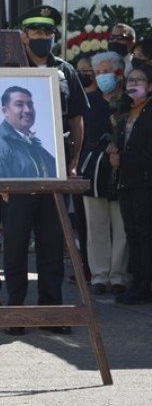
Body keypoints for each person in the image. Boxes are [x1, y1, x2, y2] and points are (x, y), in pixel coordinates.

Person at [0, 5, 88, 336]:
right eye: (36, 33)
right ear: (24, 36)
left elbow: (76, 119)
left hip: (55, 172)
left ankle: (52, 311)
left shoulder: (64, 71)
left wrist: (74, 163)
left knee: (51, 246)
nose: (43, 38)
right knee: (16, 246)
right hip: (17, 175)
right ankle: (15, 312)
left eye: (48, 33)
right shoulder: (7, 71)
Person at [79, 51, 127, 296]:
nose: (101, 77)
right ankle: (99, 275)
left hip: (122, 169)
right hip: (95, 169)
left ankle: (118, 275)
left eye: (106, 71)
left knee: (121, 225)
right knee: (95, 224)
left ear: (119, 72)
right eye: (97, 73)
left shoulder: (128, 101)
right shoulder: (89, 101)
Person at [107, 62, 152, 304]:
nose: (134, 84)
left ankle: (145, 284)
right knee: (132, 233)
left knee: (145, 234)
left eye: (140, 80)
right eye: (131, 80)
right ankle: (138, 280)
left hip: (145, 183)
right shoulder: (125, 113)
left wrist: (122, 158)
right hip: (127, 183)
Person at [0, 86, 58, 179]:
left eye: (30, 104)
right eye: (19, 105)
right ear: (5, 111)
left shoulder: (38, 149)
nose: (27, 110)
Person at [68, 52, 97, 284]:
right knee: (81, 222)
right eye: (80, 70)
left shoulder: (102, 100)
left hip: (94, 168)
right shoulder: (81, 96)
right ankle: (85, 266)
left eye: (87, 70)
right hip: (81, 167)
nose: (83, 74)